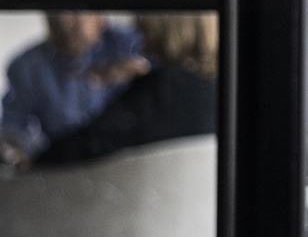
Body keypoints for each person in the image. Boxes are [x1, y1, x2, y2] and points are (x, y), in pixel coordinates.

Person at [35, 12, 216, 166]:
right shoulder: (218, 87)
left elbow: (90, 142)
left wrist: (34, 163)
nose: (137, 27)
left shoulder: (164, 85)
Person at [0, 11, 147, 168]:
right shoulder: (26, 67)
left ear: (100, 13)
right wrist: (13, 151)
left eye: (74, 12)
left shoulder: (135, 45)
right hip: (63, 171)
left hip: (130, 166)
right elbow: (13, 127)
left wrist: (143, 73)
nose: (64, 22)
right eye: (54, 14)